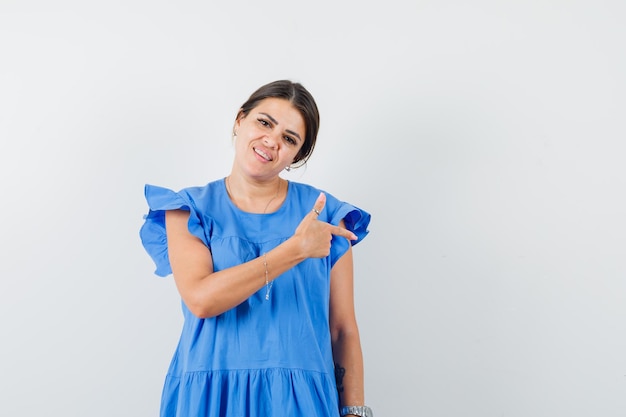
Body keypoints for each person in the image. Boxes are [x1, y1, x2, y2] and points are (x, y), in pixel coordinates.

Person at [140, 79, 373, 417]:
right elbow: (202, 300)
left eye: (289, 139)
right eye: (265, 122)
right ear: (240, 121)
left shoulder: (325, 215)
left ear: (297, 155)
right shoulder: (188, 209)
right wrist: (295, 249)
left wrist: (355, 412)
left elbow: (342, 329)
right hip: (209, 395)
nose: (271, 141)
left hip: (300, 399)